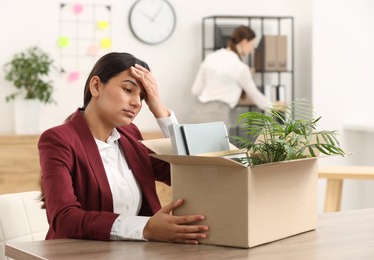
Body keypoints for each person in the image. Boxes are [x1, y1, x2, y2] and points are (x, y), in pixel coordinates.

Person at [38, 52, 208, 244]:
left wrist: (159, 110)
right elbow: (64, 219)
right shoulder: (58, 140)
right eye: (128, 90)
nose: (136, 102)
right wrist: (145, 228)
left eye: (143, 97)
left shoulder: (131, 136)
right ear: (96, 86)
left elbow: (186, 171)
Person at [189, 25, 273, 130]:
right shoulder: (240, 68)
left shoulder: (210, 57)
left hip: (196, 112)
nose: (252, 50)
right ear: (244, 42)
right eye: (252, 45)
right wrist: (275, 107)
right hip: (217, 115)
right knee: (221, 147)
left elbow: (195, 90)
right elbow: (255, 95)